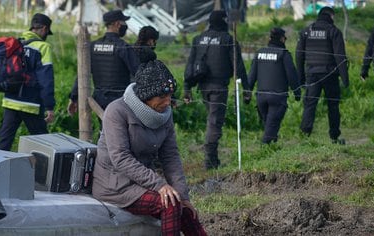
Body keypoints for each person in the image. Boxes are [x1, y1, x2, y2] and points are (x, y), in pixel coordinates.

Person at [92, 59, 207, 236]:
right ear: (146, 96)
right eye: (162, 96)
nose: (168, 102)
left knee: (184, 208)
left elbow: (170, 157)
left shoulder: (164, 115)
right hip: (115, 186)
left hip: (142, 183)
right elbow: (120, 158)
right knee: (170, 203)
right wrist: (159, 184)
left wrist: (184, 197)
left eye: (170, 95)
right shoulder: (117, 111)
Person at [183, 10, 251, 170]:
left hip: (202, 86)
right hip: (219, 87)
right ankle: (210, 160)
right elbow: (238, 67)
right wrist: (246, 89)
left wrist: (187, 88)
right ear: (222, 21)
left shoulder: (198, 39)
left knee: (212, 120)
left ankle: (212, 158)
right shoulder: (228, 40)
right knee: (214, 122)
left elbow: (190, 65)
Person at [0, 13, 55, 151]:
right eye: (47, 32)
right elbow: (46, 79)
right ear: (44, 29)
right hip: (31, 104)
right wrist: (49, 106)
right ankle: (45, 171)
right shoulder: (43, 47)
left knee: (4, 142)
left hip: (10, 101)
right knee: (44, 143)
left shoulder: (15, 44)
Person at [67, 9, 139, 116]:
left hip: (98, 100)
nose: (125, 25)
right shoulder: (123, 47)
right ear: (117, 24)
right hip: (120, 99)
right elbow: (139, 72)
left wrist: (73, 98)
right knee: (120, 130)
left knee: (105, 129)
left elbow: (82, 75)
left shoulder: (92, 46)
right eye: (124, 22)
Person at [296, 6, 349, 144]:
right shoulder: (334, 31)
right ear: (331, 16)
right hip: (330, 75)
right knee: (333, 105)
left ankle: (305, 134)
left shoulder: (306, 31)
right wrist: (345, 79)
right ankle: (334, 136)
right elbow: (340, 56)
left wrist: (300, 77)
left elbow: (299, 56)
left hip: (312, 74)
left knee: (310, 104)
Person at [247, 27, 301, 144]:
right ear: (282, 39)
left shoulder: (259, 53)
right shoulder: (284, 54)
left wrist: (247, 94)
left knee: (269, 126)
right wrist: (297, 93)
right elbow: (292, 75)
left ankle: (272, 149)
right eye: (285, 38)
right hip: (277, 98)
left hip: (261, 98)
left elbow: (251, 76)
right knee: (271, 129)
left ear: (270, 39)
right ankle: (264, 152)